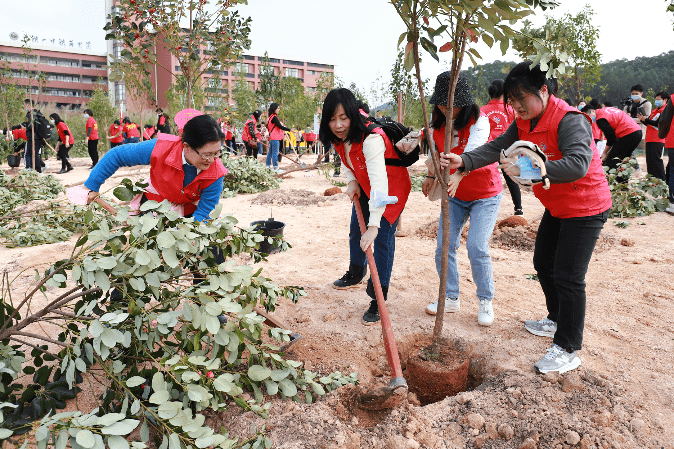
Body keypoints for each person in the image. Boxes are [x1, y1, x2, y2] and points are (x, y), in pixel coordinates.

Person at [441, 62, 612, 374]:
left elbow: (578, 164)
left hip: (586, 206)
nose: (517, 106)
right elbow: (496, 147)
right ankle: (556, 318)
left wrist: (532, 170)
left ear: (543, 91)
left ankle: (568, 347)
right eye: (512, 100)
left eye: (522, 99)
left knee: (569, 276)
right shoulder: (522, 123)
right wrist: (464, 159)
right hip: (559, 207)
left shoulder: (570, 120)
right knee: (543, 264)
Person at [320, 88, 411, 325]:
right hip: (364, 183)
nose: (338, 125)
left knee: (380, 241)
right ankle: (356, 271)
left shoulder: (371, 138)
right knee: (355, 231)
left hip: (389, 191)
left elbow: (381, 185)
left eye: (343, 118)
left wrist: (374, 226)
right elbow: (347, 158)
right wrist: (351, 181)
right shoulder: (340, 136)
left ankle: (378, 297)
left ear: (352, 114)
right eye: (332, 119)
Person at [421, 73, 501, 326]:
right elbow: (436, 152)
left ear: (465, 102)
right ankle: (450, 297)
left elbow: (473, 152)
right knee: (444, 246)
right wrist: (430, 175)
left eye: (452, 104)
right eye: (442, 105)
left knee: (477, 247)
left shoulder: (480, 122)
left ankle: (485, 301)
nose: (446, 110)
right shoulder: (437, 124)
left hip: (484, 194)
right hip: (454, 196)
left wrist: (459, 174)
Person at [83, 114, 226, 223]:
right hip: (155, 204)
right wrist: (92, 185)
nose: (212, 160)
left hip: (190, 209)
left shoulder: (216, 171)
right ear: (186, 146)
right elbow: (117, 155)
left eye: (217, 153)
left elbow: (206, 209)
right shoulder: (161, 148)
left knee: (213, 253)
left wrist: (193, 232)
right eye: (206, 154)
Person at [481, 79, 523, 216]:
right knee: (511, 179)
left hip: (488, 150)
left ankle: (482, 205)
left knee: (487, 179)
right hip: (507, 149)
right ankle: (518, 209)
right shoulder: (510, 110)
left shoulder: (482, 110)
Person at [581, 103, 642, 183]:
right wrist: (607, 153)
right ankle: (623, 186)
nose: (588, 119)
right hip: (637, 132)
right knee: (622, 161)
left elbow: (611, 138)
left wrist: (605, 153)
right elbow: (614, 140)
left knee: (611, 162)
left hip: (628, 134)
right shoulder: (605, 111)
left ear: (593, 111)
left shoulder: (600, 118)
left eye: (587, 116)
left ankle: (608, 186)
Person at [637, 91, 669, 181]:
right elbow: (650, 123)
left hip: (658, 139)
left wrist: (646, 119)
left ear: (665, 100)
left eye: (659, 99)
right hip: (649, 139)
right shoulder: (655, 111)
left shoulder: (665, 110)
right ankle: (651, 180)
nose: (656, 101)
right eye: (656, 99)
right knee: (649, 161)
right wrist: (642, 119)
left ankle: (662, 180)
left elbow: (658, 124)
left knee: (656, 160)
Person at [24, 99, 47, 172]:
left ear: (28, 105)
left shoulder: (30, 114)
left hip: (34, 137)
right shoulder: (37, 113)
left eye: (24, 105)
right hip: (38, 137)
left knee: (33, 154)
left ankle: (38, 170)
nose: (24, 107)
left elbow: (31, 126)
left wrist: (25, 127)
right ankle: (42, 166)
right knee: (34, 153)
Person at [267, 103, 292, 171]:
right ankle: (275, 167)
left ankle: (267, 166)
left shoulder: (270, 117)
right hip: (275, 138)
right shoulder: (274, 117)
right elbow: (280, 127)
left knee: (270, 153)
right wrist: (289, 130)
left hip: (272, 137)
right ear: (274, 109)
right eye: (278, 108)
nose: (279, 109)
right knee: (275, 153)